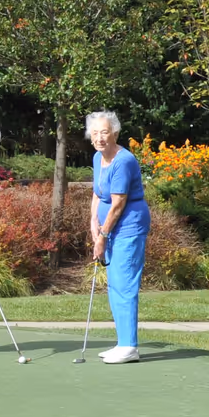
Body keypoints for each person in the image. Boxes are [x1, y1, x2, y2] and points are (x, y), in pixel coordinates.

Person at [87, 110, 150, 364]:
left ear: (115, 133)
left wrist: (102, 234)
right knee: (114, 283)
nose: (99, 138)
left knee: (124, 283)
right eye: (95, 133)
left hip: (128, 227)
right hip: (108, 227)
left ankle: (129, 346)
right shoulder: (97, 157)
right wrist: (93, 221)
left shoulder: (124, 161)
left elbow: (118, 203)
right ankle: (122, 341)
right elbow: (97, 194)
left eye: (104, 132)